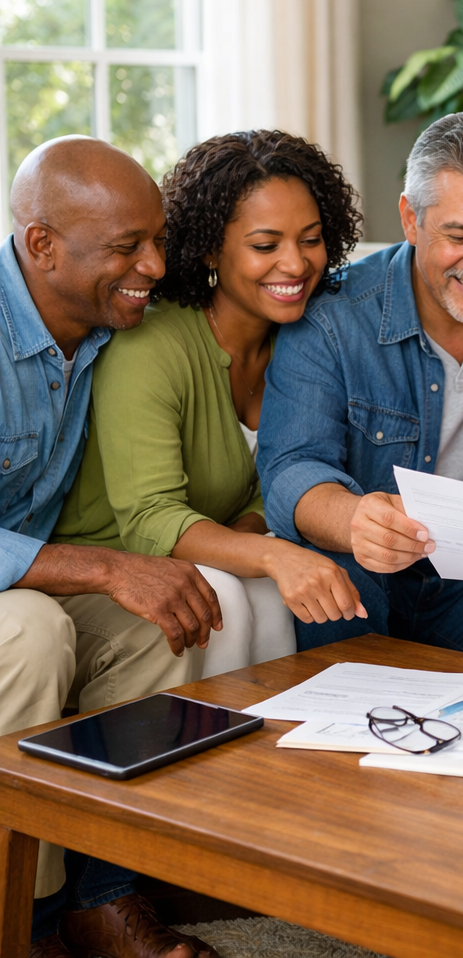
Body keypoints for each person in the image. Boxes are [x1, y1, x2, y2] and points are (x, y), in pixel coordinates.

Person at [0, 137, 220, 957]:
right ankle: (20, 914)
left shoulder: (105, 332)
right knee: (30, 629)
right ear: (43, 244)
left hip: (20, 584)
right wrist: (100, 565)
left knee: (167, 615)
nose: (156, 265)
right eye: (128, 247)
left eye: (156, 238)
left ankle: (100, 898)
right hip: (16, 607)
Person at [54, 131, 372, 675]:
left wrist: (253, 544)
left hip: (208, 562)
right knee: (228, 590)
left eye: (311, 239)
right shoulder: (151, 346)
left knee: (269, 596)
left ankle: (273, 754)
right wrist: (273, 553)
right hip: (105, 571)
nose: (295, 265)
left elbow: (286, 475)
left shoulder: (307, 341)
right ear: (209, 248)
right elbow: (151, 520)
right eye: (265, 246)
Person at [256, 110, 463, 652]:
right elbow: (290, 470)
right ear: (410, 220)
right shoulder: (334, 317)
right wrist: (355, 519)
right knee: (340, 577)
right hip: (370, 571)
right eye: (459, 235)